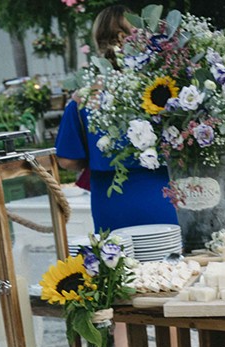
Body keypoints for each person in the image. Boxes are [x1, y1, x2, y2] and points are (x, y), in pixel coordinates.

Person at [55, 6, 176, 232]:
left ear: (98, 41)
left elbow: (67, 160)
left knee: (120, 263)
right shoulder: (162, 90)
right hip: (161, 194)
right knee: (169, 265)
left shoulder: (83, 97)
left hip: (111, 200)